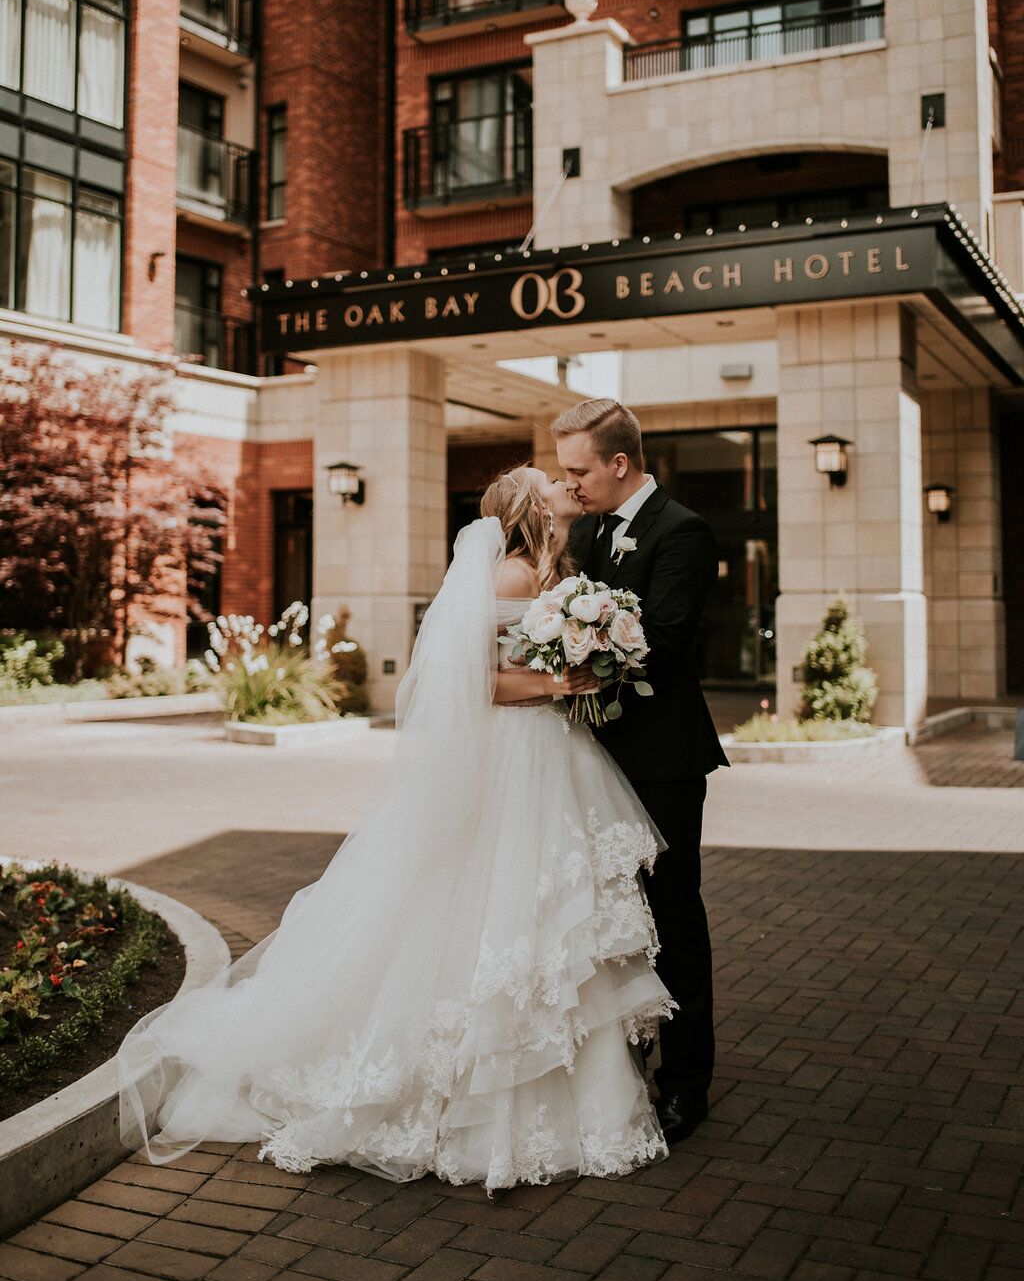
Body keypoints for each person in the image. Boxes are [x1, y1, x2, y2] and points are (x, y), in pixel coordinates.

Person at [118, 467, 676, 1192]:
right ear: (533, 507)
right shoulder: (508, 576)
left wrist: (591, 660)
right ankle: (458, 1087)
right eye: (551, 480)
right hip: (513, 758)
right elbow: (474, 679)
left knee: (555, 915)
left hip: (556, 755)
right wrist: (555, 682)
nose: (565, 482)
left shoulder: (568, 568)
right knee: (493, 901)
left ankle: (585, 1091)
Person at [553, 398, 728, 1144]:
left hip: (661, 761)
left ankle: (687, 1082)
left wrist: (566, 654)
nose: (573, 484)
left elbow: (659, 636)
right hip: (594, 757)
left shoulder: (683, 532)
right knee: (609, 917)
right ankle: (623, 1055)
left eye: (579, 470)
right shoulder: (589, 529)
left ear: (619, 463)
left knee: (672, 916)